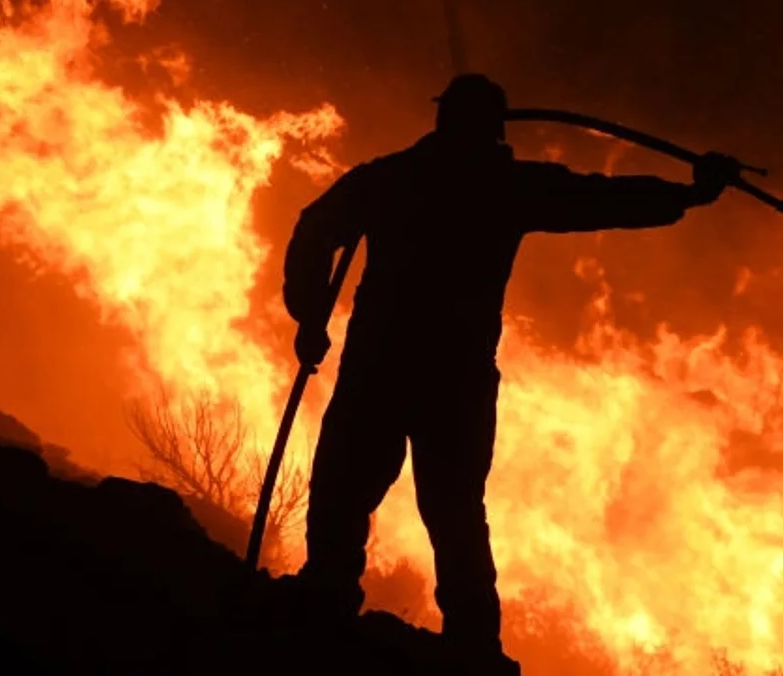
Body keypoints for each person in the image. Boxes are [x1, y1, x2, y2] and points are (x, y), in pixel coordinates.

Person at [280, 74, 738, 671]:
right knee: (452, 510)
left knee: (349, 493)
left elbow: (314, 231)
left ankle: (328, 607)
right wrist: (691, 193)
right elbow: (604, 198)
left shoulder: (392, 179)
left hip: (384, 368)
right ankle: (469, 647)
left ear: (443, 120)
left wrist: (312, 316)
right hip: (454, 378)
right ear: (494, 129)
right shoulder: (506, 187)